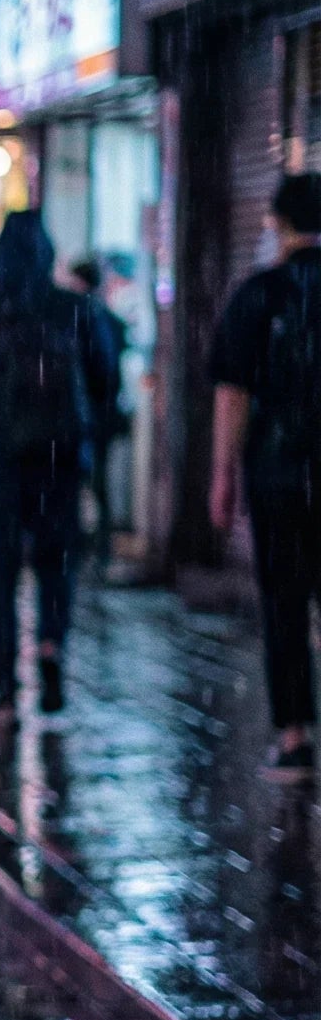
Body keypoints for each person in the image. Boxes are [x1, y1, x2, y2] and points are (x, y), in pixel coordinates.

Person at [0, 209, 113, 729]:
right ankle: (51, 644)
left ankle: (5, 694)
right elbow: (106, 379)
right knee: (57, 562)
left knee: (0, 573)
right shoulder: (77, 308)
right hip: (60, 459)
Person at [210, 173, 321, 778]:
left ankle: (295, 737)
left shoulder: (257, 295)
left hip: (277, 473)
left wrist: (222, 476)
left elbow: (232, 395)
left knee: (284, 602)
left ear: (278, 224)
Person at [68, 254, 128, 569]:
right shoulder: (110, 321)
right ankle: (99, 546)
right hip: (100, 417)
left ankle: (83, 547)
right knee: (96, 484)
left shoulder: (77, 319)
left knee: (79, 483)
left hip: (84, 418)